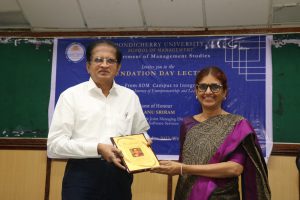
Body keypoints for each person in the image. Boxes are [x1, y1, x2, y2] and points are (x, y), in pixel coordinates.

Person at [47, 40, 150, 200]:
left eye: (110, 60)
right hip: (81, 176)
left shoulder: (130, 97)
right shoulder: (70, 96)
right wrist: (97, 148)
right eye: (98, 60)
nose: (104, 65)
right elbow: (54, 146)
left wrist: (144, 143)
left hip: (120, 175)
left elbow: (141, 133)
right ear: (88, 66)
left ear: (118, 68)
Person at [151, 66, 271, 200]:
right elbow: (184, 163)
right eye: (202, 87)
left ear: (225, 92)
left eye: (215, 87)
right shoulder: (187, 124)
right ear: (196, 91)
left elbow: (235, 168)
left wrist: (183, 168)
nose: (208, 92)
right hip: (186, 194)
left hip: (221, 196)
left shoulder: (238, 125)